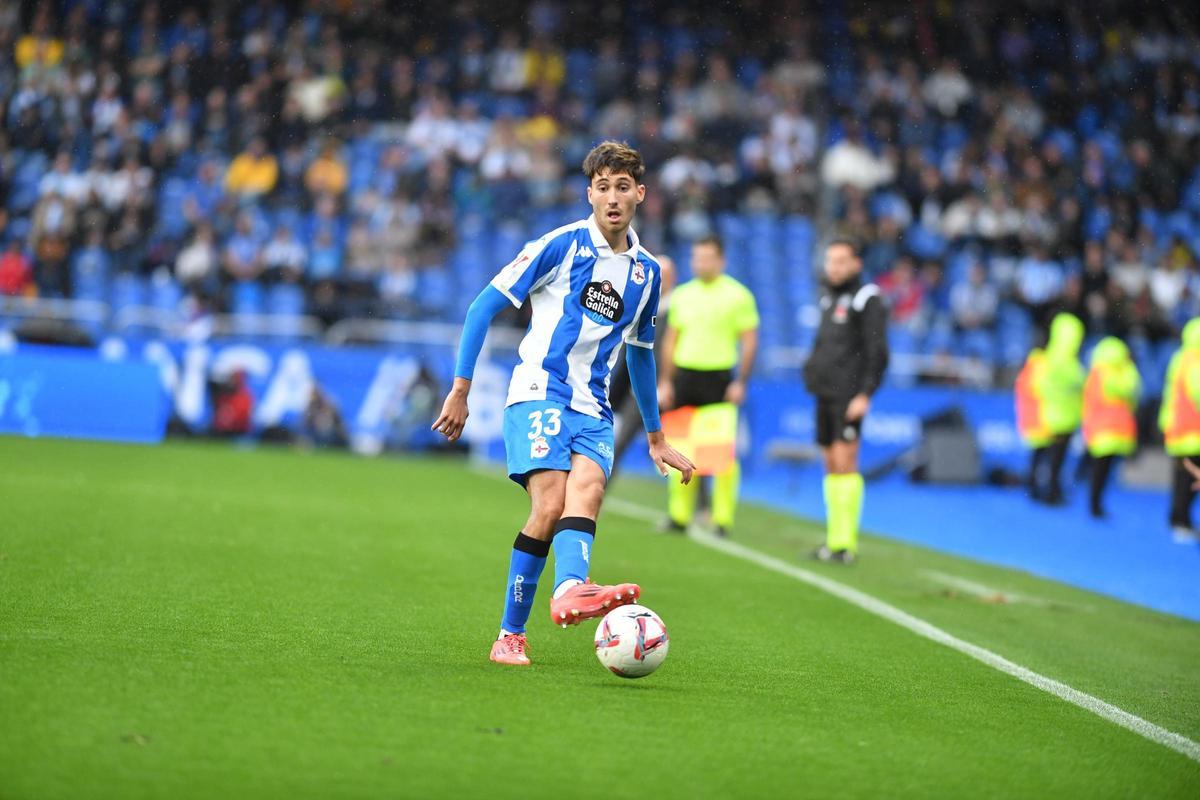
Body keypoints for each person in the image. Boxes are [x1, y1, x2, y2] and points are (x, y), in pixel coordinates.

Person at [431, 141, 695, 667]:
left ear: (640, 194)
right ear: (589, 194)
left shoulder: (646, 274)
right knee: (550, 505)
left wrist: (655, 434)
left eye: (623, 187)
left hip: (593, 406)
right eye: (603, 188)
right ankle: (510, 634)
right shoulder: (561, 245)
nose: (613, 198)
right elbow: (483, 306)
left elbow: (640, 356)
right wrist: (460, 389)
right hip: (538, 391)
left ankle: (570, 588)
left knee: (590, 490)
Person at [657, 236, 759, 536]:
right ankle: (679, 516)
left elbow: (750, 341)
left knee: (720, 455)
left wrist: (741, 381)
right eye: (696, 257)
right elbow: (670, 341)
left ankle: (721, 518)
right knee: (680, 450)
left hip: (718, 380)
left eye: (707, 258)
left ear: (721, 260)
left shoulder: (738, 296)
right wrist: (665, 380)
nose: (701, 263)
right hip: (685, 378)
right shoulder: (682, 295)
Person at [803, 239, 889, 563]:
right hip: (824, 393)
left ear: (856, 264)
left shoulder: (868, 299)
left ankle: (845, 544)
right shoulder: (829, 297)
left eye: (841, 261)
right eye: (830, 261)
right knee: (830, 465)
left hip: (847, 396)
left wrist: (864, 394)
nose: (834, 267)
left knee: (845, 464)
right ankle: (833, 540)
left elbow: (877, 352)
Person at [606, 255, 677, 481]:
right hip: (640, 389)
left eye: (664, 276)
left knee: (684, 444)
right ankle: (597, 490)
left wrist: (668, 383)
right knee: (621, 441)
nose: (660, 281)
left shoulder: (679, 310)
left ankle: (698, 503)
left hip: (669, 390)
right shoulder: (643, 305)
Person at [1016, 312, 1085, 505]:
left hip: (1049, 414)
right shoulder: (1063, 364)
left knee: (1043, 455)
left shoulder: (1044, 360)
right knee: (1053, 458)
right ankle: (1049, 491)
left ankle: (1037, 488)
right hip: (1057, 416)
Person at [1081, 337, 1140, 519]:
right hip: (1107, 429)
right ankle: (1094, 505)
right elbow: (1130, 390)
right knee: (1101, 470)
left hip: (1107, 429)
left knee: (1102, 470)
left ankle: (1095, 503)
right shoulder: (1117, 373)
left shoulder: (1096, 372)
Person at [1158, 318, 1200, 542]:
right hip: (1192, 432)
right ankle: (1181, 522)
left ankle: (1177, 519)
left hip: (1177, 428)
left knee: (1182, 479)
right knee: (1190, 480)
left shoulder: (1180, 357)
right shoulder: (1195, 361)